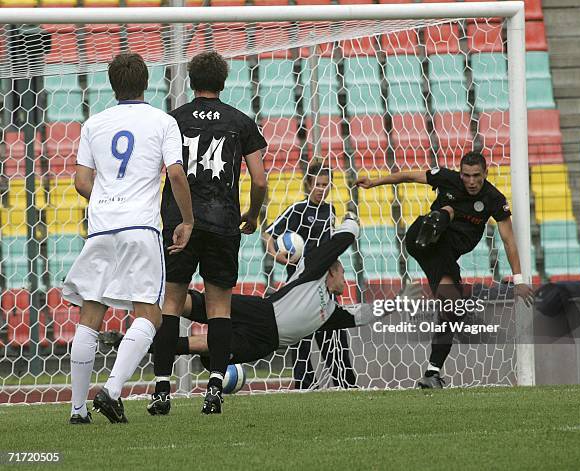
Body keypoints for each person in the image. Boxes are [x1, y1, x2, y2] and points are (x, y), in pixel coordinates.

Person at [108, 214, 374, 411]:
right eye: (343, 273)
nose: (345, 280)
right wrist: (351, 221)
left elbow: (361, 316)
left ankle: (132, 344)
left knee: (202, 346)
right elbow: (340, 241)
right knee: (200, 306)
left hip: (264, 344)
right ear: (331, 271)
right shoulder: (313, 273)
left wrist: (399, 305)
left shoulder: (330, 312)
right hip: (262, 313)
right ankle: (143, 295)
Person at [62, 52, 193, 424]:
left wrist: (107, 200)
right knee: (149, 314)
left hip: (102, 225)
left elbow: (81, 181)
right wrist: (187, 219)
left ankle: (77, 410)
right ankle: (112, 390)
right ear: (146, 82)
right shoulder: (163, 121)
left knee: (91, 313)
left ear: (112, 84)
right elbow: (177, 174)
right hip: (141, 227)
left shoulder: (94, 124)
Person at [149, 51, 267, 415]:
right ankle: (215, 386)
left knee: (169, 303)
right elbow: (260, 179)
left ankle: (161, 390)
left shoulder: (173, 120)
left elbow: (161, 171)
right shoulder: (240, 121)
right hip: (224, 221)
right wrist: (252, 213)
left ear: (191, 79)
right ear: (224, 81)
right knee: (219, 306)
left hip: (180, 222)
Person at [356, 151, 534, 388]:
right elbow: (409, 176)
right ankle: (433, 228)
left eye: (476, 176)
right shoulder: (448, 179)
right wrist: (374, 182)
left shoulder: (494, 199)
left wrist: (519, 279)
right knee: (447, 210)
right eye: (466, 175)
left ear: (486, 173)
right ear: (460, 173)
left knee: (451, 309)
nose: (471, 181)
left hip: (443, 257)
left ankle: (432, 374)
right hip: (421, 237)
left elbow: (509, 241)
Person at [262, 160, 357, 389]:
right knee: (300, 338)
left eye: (326, 185)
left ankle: (345, 382)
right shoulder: (297, 210)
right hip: (298, 283)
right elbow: (267, 234)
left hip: (323, 284)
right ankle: (305, 385)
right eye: (317, 184)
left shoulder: (330, 211)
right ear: (308, 184)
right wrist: (276, 254)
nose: (321, 190)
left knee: (333, 334)